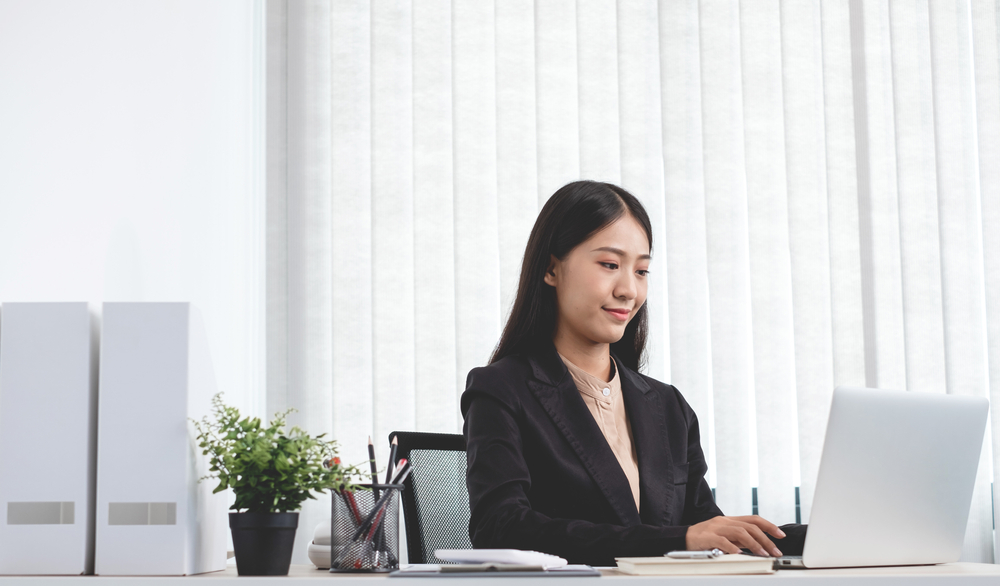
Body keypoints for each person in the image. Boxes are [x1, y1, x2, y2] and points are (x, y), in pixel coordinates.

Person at [461, 181, 805, 566]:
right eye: (610, 265)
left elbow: (705, 528)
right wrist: (679, 539)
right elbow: (501, 527)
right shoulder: (501, 390)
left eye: (641, 271)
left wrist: (816, 535)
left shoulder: (668, 406)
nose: (629, 290)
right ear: (551, 268)